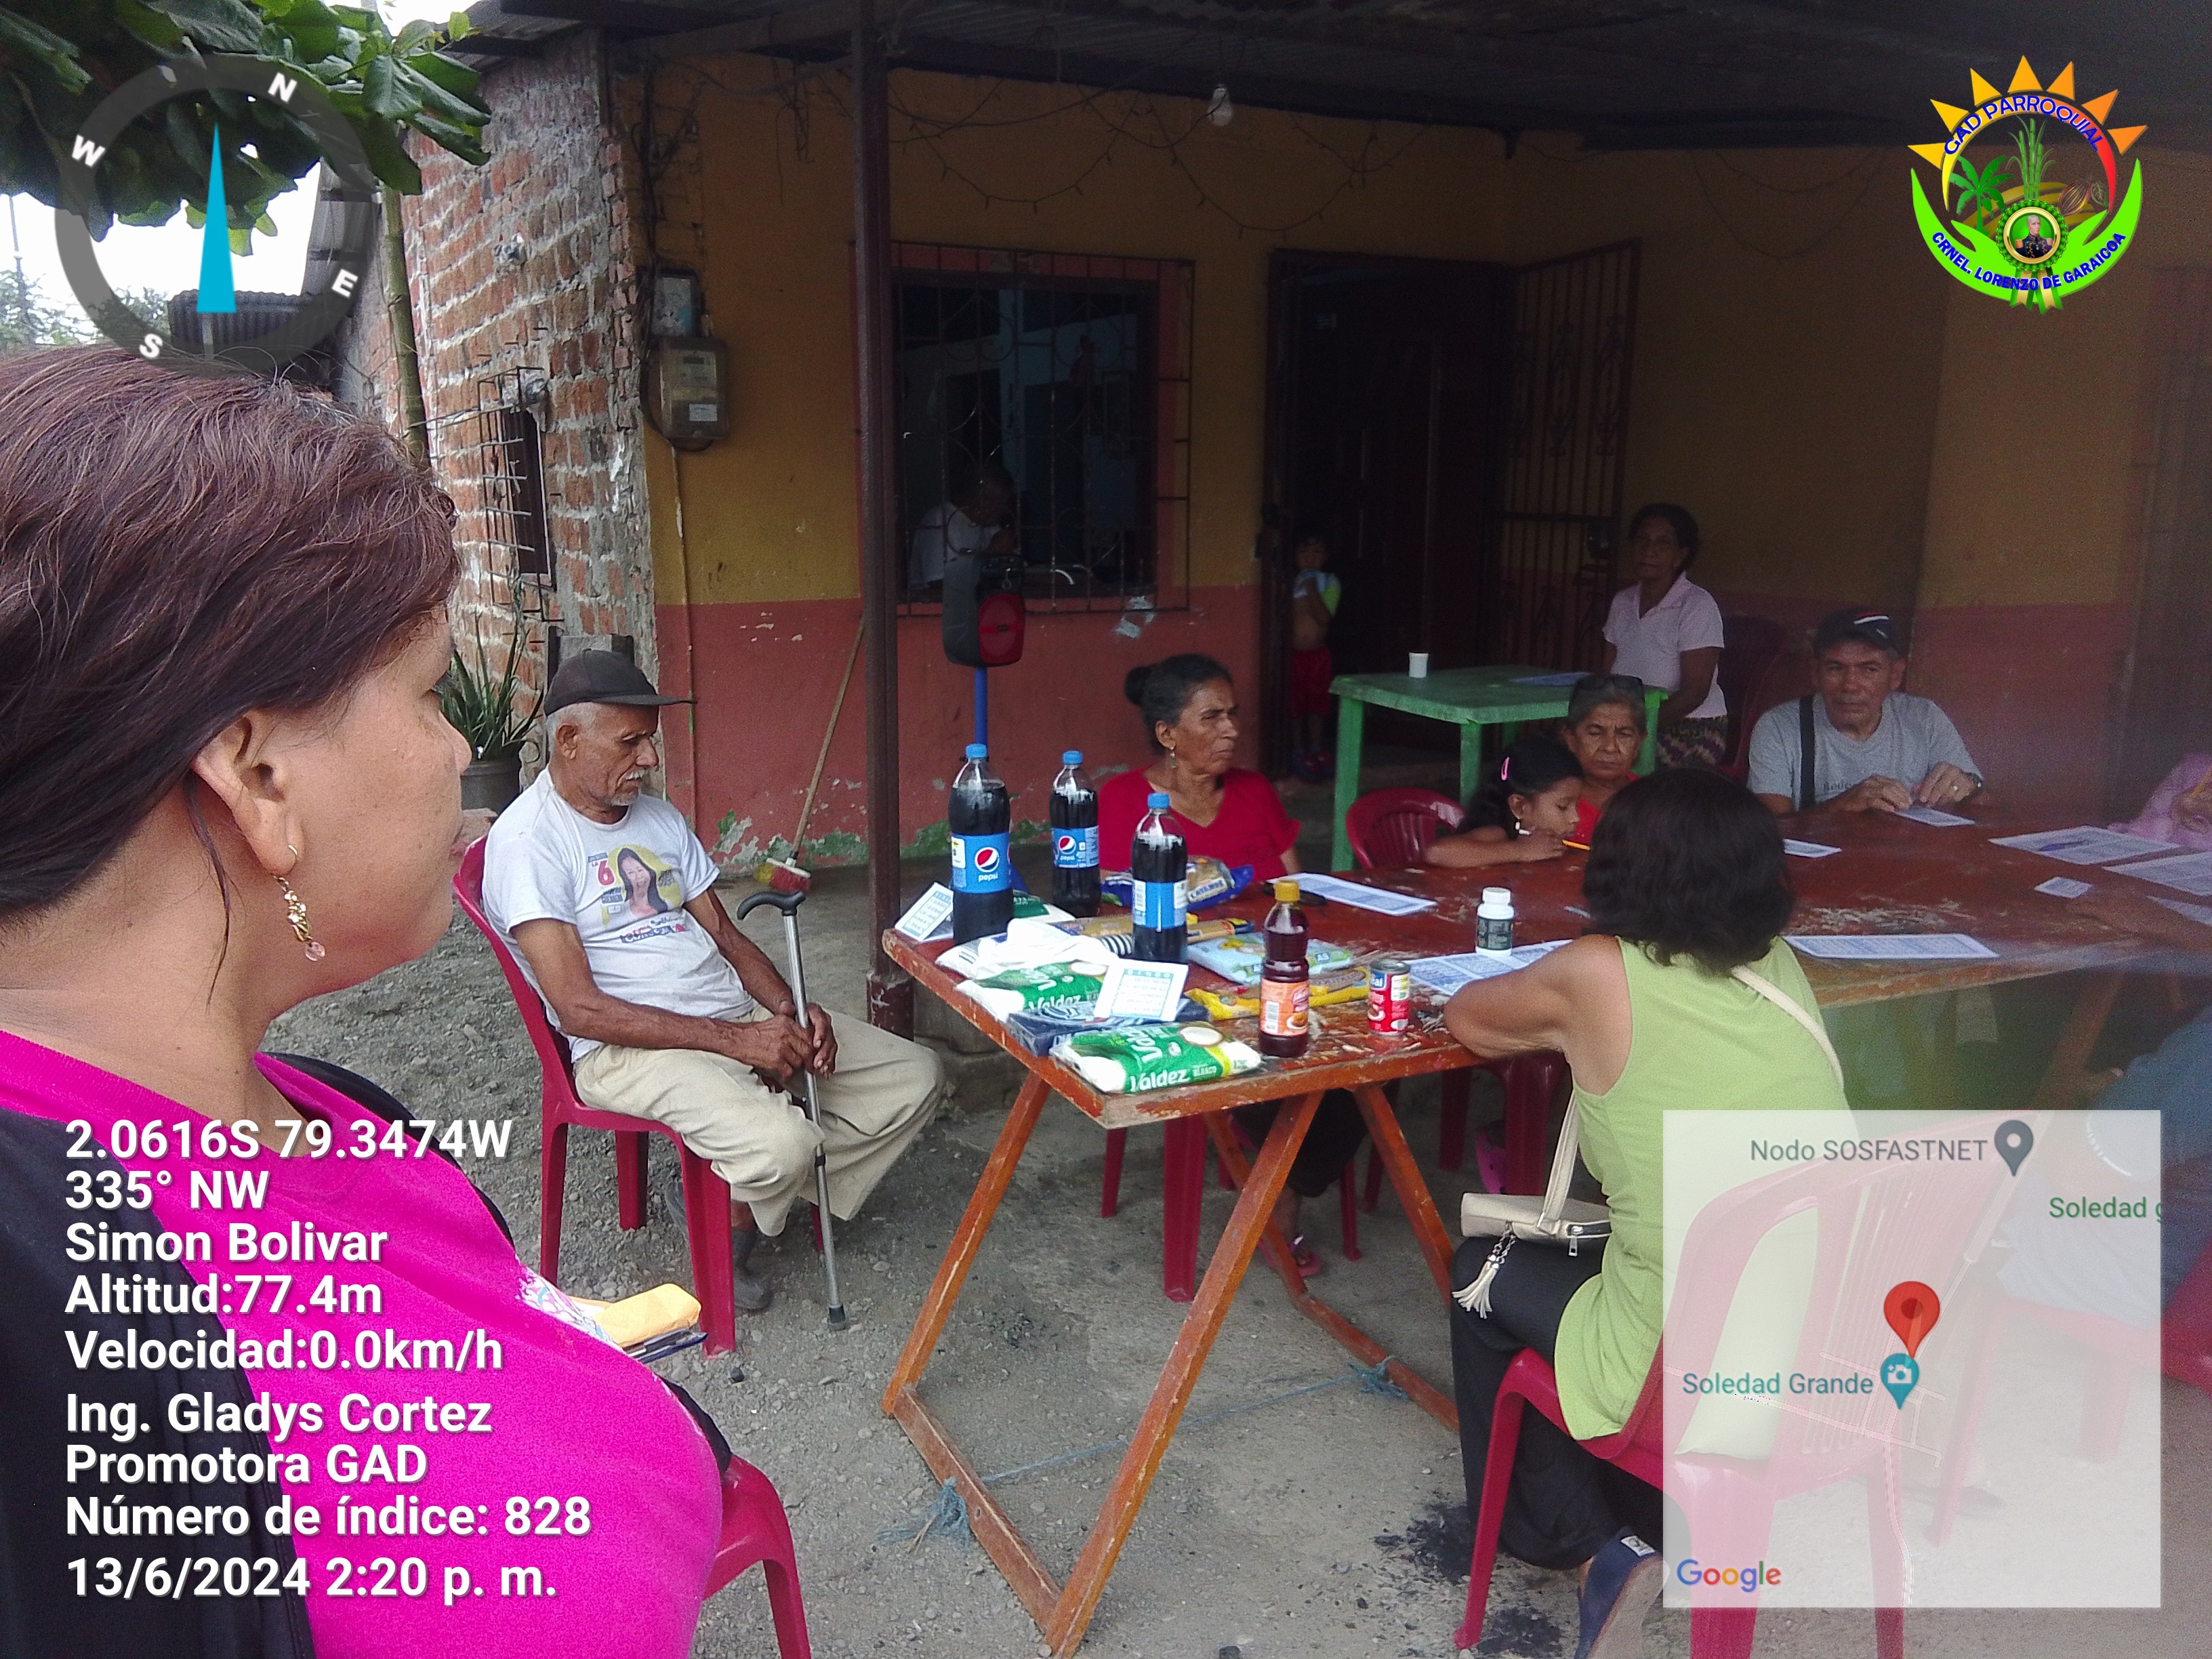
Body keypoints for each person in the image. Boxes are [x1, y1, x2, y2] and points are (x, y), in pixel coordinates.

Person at [0, 347, 728, 1656]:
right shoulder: (64, 1348)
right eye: (427, 691)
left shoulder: (303, 1104)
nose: (456, 748)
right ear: (258, 777)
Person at [1441, 769, 1847, 1659]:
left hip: (1687, 1355)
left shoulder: (1597, 972)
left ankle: (1589, 1546)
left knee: (1480, 1270)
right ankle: (1656, 1511)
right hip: (1817, 1332)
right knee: (1606, 1260)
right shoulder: (1780, 965)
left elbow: (1470, 1018)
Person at [485, 650, 943, 1311]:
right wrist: (738, 1044)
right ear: (569, 740)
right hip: (625, 1050)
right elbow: (579, 1009)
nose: (649, 759)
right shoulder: (530, 843)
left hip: (729, 1018)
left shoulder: (658, 819)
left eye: (651, 740)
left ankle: (733, 1193)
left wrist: (790, 1010)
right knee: (784, 1145)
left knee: (915, 1077)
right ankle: (740, 1211)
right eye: (630, 742)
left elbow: (726, 936)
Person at [1099, 655, 1362, 1267]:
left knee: (1366, 1053)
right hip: (1184, 983)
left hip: (1269, 971)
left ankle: (1282, 1185)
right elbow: (1113, 908)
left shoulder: (1254, 790)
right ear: (1167, 733)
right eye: (1212, 717)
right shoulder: (1124, 801)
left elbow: (1296, 891)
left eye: (1233, 715)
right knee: (1270, 1051)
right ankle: (1281, 1195)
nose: (1232, 730)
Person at [1747, 609, 1983, 815]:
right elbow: (1770, 829)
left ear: (1895, 675)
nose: (1850, 685)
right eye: (1835, 668)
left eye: (1869, 669)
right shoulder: (1779, 728)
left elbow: (1984, 804)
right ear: (1815, 673)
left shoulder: (1924, 718)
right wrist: (1840, 806)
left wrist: (1968, 788)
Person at [1601, 504, 1727, 769]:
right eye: (1642, 540)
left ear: (1680, 556)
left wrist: (1637, 728)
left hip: (1693, 728)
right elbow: (1605, 677)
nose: (1649, 550)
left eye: (1663, 543)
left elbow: (1695, 692)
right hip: (1626, 725)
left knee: (1606, 760)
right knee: (1560, 747)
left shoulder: (1696, 605)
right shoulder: (1622, 603)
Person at [1427, 735, 1583, 869]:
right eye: (1563, 807)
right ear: (1519, 806)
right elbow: (1436, 853)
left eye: (1576, 806)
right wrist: (1521, 850)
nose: (1575, 818)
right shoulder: (1498, 833)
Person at [1559, 674, 1649, 843]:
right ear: (1571, 738)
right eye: (1595, 733)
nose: (1610, 747)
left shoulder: (1652, 800)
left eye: (1624, 734)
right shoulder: (1552, 802)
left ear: (1639, 742)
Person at [909, 456, 1016, 592]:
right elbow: (940, 586)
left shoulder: (989, 525)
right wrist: (991, 554)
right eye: (1001, 504)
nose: (1004, 511)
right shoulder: (941, 521)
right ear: (984, 501)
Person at [1287, 531, 1342, 781]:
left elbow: (1323, 617)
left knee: (1317, 704)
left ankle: (1316, 748)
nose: (1310, 558)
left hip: (1317, 656)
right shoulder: (1289, 582)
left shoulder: (1330, 582)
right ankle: (1299, 751)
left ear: (1327, 556)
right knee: (1295, 703)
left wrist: (1310, 587)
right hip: (1293, 656)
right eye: (1304, 552)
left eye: (1317, 552)